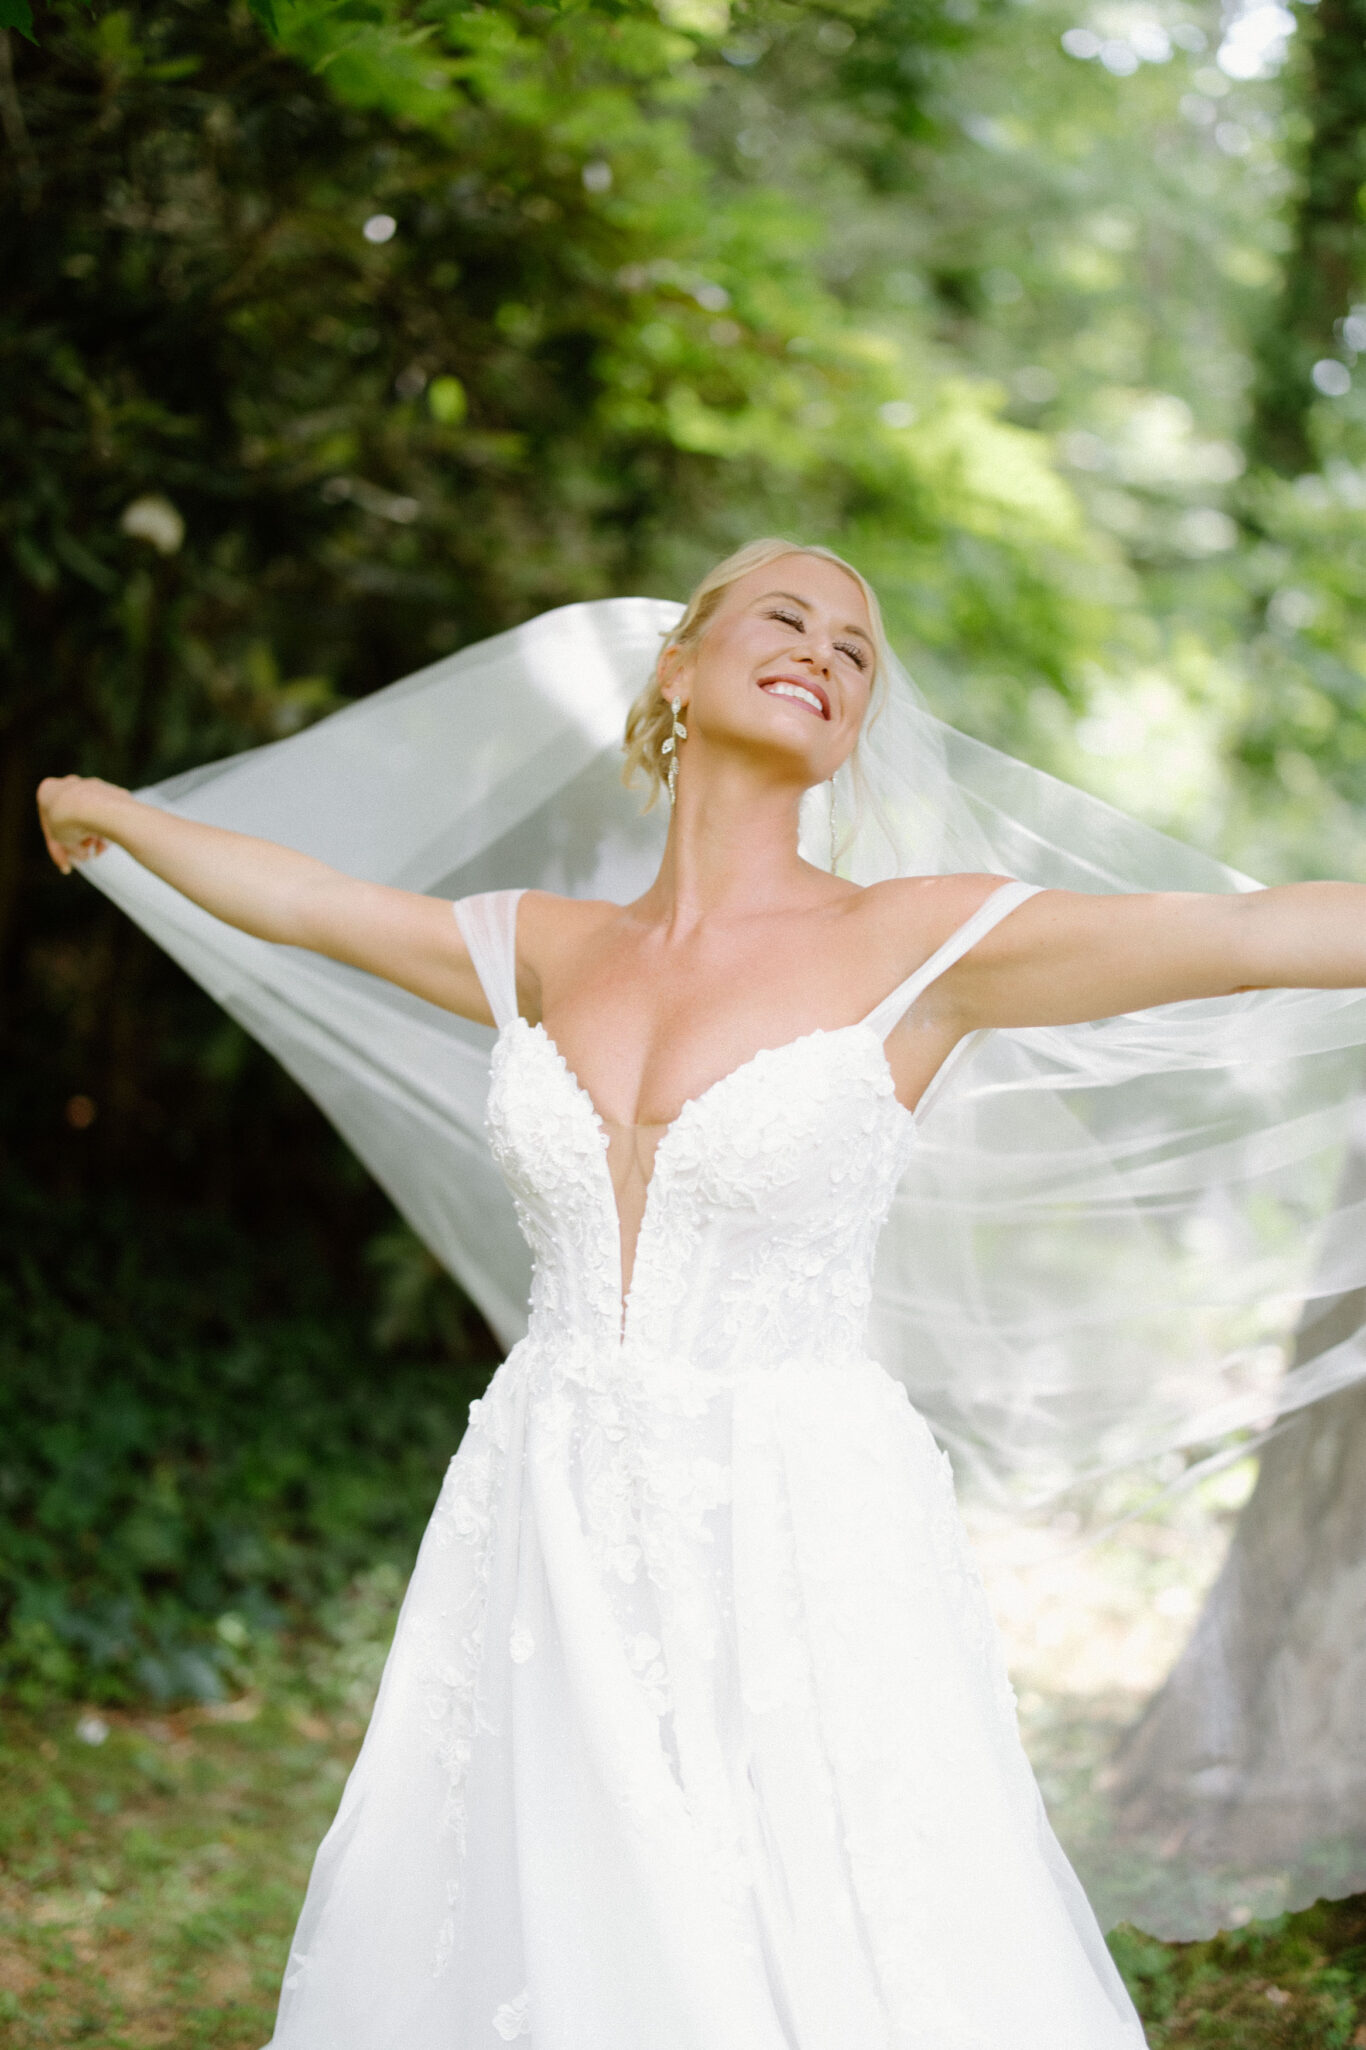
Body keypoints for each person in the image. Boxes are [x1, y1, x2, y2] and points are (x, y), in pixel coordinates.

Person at [36, 539, 1366, 2048]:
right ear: (680, 665)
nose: (824, 652)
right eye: (784, 617)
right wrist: (118, 813)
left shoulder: (919, 943)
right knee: (545, 1905)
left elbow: (1242, 936)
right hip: (545, 1491)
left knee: (810, 1918)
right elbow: (314, 908)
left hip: (791, 1514)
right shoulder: (552, 946)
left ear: (858, 720)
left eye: (856, 650)